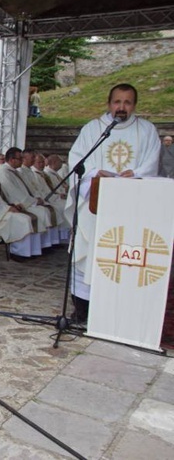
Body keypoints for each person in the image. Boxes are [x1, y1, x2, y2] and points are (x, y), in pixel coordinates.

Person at [66, 83, 161, 322]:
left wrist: (136, 173)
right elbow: (77, 160)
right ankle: (83, 308)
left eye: (127, 102)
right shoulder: (93, 129)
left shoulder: (147, 130)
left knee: (123, 255)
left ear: (134, 105)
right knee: (87, 253)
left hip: (131, 208)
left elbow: (151, 163)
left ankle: (119, 309)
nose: (122, 107)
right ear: (109, 104)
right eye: (117, 102)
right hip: (95, 208)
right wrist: (97, 171)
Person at [0, 152, 38, 260]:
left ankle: (26, 251)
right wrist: (7, 209)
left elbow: (2, 196)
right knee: (23, 220)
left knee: (26, 217)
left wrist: (12, 205)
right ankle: (17, 252)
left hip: (1, 209)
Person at [0, 147, 53, 248]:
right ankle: (21, 251)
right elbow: (13, 193)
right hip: (17, 203)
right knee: (39, 213)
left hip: (25, 201)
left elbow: (26, 190)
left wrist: (35, 199)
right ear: (12, 160)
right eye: (20, 158)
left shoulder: (14, 171)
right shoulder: (3, 173)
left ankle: (37, 247)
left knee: (44, 211)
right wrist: (34, 201)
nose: (22, 161)